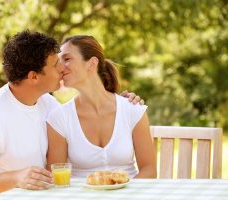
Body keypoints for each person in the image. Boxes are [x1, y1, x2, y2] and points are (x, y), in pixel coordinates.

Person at [0, 31, 143, 199]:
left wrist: (123, 102)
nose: (62, 68)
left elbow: (84, 115)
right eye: (55, 64)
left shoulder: (48, 104)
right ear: (33, 77)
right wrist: (16, 177)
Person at [46, 36, 157, 178]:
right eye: (59, 62)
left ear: (92, 63)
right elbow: (56, 176)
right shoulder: (59, 118)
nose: (61, 67)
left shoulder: (132, 110)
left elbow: (149, 170)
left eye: (67, 59)